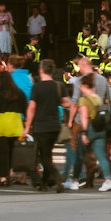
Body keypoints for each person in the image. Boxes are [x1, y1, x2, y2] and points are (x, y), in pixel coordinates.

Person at [0, 67, 28, 186]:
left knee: (2, 153)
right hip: (15, 125)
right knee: (13, 152)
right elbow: (26, 110)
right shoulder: (19, 92)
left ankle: (3, 178)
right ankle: (10, 172)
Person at [24, 59, 64, 191]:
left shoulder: (37, 87)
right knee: (47, 153)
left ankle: (58, 180)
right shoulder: (59, 86)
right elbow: (67, 103)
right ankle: (44, 184)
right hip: (55, 125)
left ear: (41, 70)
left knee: (44, 156)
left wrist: (27, 127)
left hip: (41, 126)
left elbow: (31, 108)